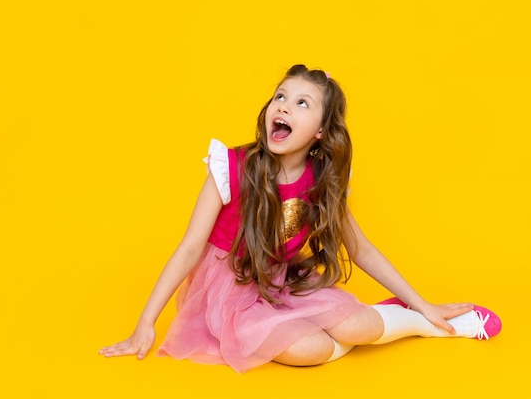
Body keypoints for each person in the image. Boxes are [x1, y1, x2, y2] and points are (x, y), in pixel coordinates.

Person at [99, 64, 501, 373]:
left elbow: (360, 249)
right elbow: (189, 249)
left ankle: (421, 321)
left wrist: (424, 303)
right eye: (280, 97)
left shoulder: (322, 181)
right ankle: (380, 320)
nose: (284, 107)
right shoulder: (231, 167)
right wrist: (145, 323)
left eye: (301, 103)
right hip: (231, 293)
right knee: (312, 351)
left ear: (322, 130)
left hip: (281, 280)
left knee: (355, 328)